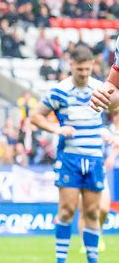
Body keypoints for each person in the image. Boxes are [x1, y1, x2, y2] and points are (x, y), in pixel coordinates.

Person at [30, 46, 107, 263]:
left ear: (93, 65)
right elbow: (36, 116)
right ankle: (61, 260)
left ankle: (93, 260)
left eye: (87, 69)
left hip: (94, 158)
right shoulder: (59, 91)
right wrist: (57, 129)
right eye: (79, 69)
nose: (83, 73)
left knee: (92, 212)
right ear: (71, 65)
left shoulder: (100, 88)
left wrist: (108, 131)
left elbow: (114, 110)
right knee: (66, 211)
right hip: (70, 158)